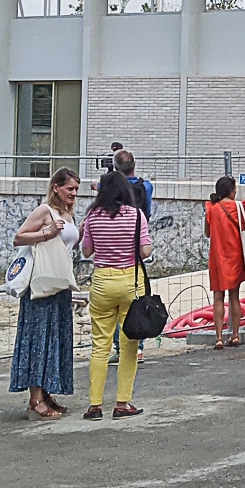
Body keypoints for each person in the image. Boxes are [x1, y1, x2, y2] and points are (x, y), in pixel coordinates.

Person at [9, 168, 81, 420]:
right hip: (40, 285)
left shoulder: (68, 214)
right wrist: (46, 233)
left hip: (59, 284)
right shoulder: (44, 211)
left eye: (76, 189)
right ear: (56, 188)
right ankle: (35, 398)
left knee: (54, 338)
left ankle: (47, 391)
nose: (74, 193)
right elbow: (18, 238)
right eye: (69, 188)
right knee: (38, 338)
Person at [80, 170, 150, 420]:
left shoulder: (93, 216)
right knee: (129, 344)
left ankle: (94, 405)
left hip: (101, 282)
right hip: (131, 281)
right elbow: (145, 250)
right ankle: (122, 403)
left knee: (100, 344)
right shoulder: (136, 215)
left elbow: (87, 251)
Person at [110, 149, 153, 365]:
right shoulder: (146, 186)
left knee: (117, 304)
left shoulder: (112, 188)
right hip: (138, 243)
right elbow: (149, 212)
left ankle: (120, 347)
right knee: (136, 297)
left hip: (116, 251)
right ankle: (139, 347)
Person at [204, 175, 245, 349]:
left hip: (217, 257)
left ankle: (219, 338)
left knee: (218, 297)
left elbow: (207, 233)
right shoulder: (239, 207)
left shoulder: (211, 209)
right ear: (231, 191)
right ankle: (236, 334)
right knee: (234, 296)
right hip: (235, 256)